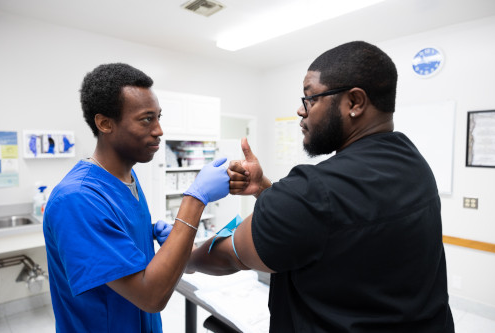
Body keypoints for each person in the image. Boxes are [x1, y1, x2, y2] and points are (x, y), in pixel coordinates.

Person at [187, 41, 455, 332]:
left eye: (310, 98)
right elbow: (333, 220)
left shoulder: (313, 190)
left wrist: (183, 259)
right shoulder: (414, 163)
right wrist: (266, 189)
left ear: (354, 102)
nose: (301, 111)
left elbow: (229, 255)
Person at [43, 63, 230, 332]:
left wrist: (169, 247)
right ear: (105, 123)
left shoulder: (126, 177)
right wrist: (195, 199)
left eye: (159, 117)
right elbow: (151, 296)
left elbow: (136, 266)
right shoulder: (77, 199)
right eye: (146, 119)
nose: (159, 130)